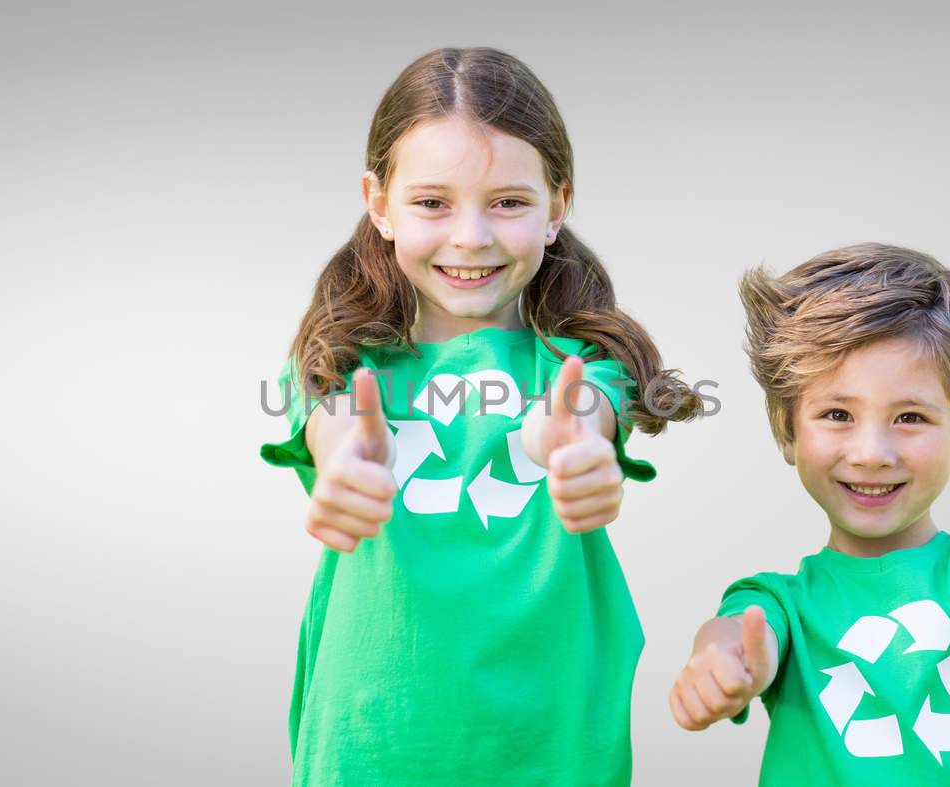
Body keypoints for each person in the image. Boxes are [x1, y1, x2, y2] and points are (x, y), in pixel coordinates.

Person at [261, 47, 701, 785]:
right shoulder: (336, 363)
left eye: (508, 201)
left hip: (551, 748)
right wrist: (344, 467)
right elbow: (333, 423)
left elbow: (586, 411)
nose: (472, 236)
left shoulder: (585, 364)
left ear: (557, 207)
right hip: (369, 747)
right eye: (433, 202)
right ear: (380, 204)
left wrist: (575, 446)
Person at [669, 244, 950, 785]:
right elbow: (737, 634)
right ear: (788, 431)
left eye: (909, 416)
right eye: (837, 414)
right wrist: (720, 665)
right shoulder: (778, 603)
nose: (871, 452)